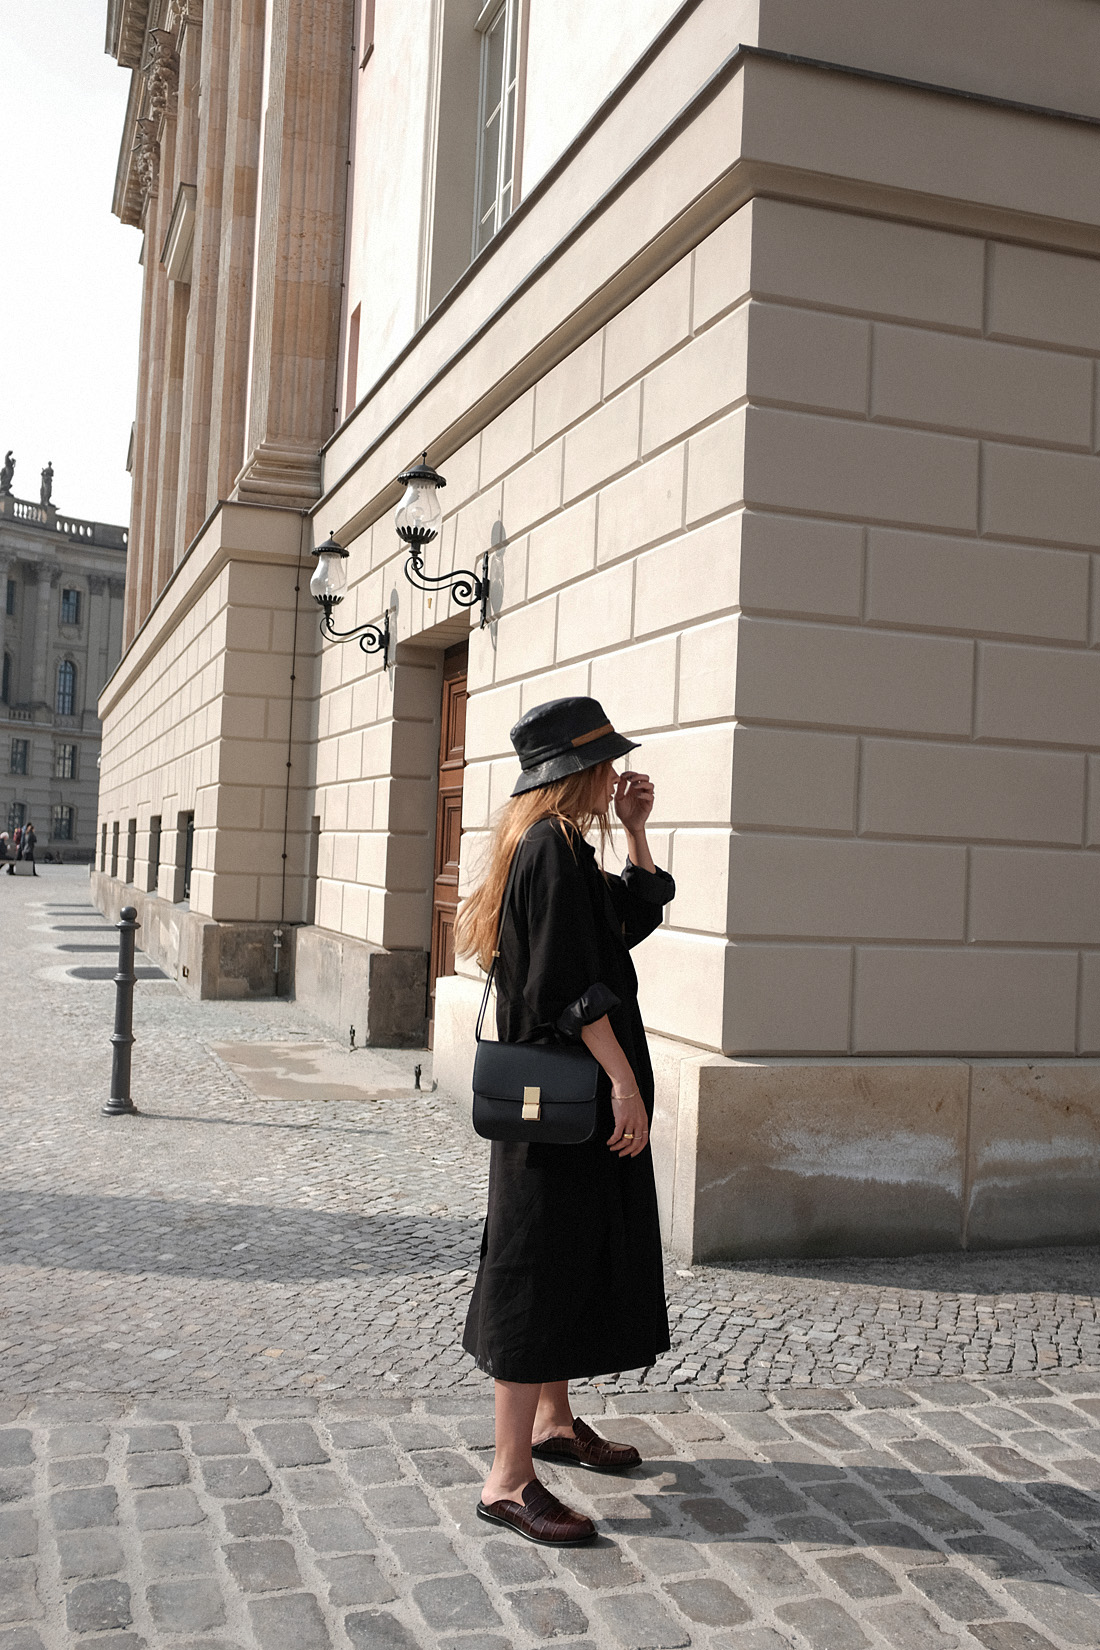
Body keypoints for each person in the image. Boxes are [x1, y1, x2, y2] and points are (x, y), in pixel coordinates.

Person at [456, 696, 675, 1547]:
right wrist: (624, 1083)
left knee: (569, 1255)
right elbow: (569, 990)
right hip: (567, 1103)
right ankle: (509, 1479)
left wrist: (634, 830)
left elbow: (629, 920)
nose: (618, 773)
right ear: (572, 772)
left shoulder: (564, 847)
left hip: (571, 1107)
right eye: (607, 764)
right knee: (534, 1270)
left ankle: (553, 1422)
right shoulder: (547, 852)